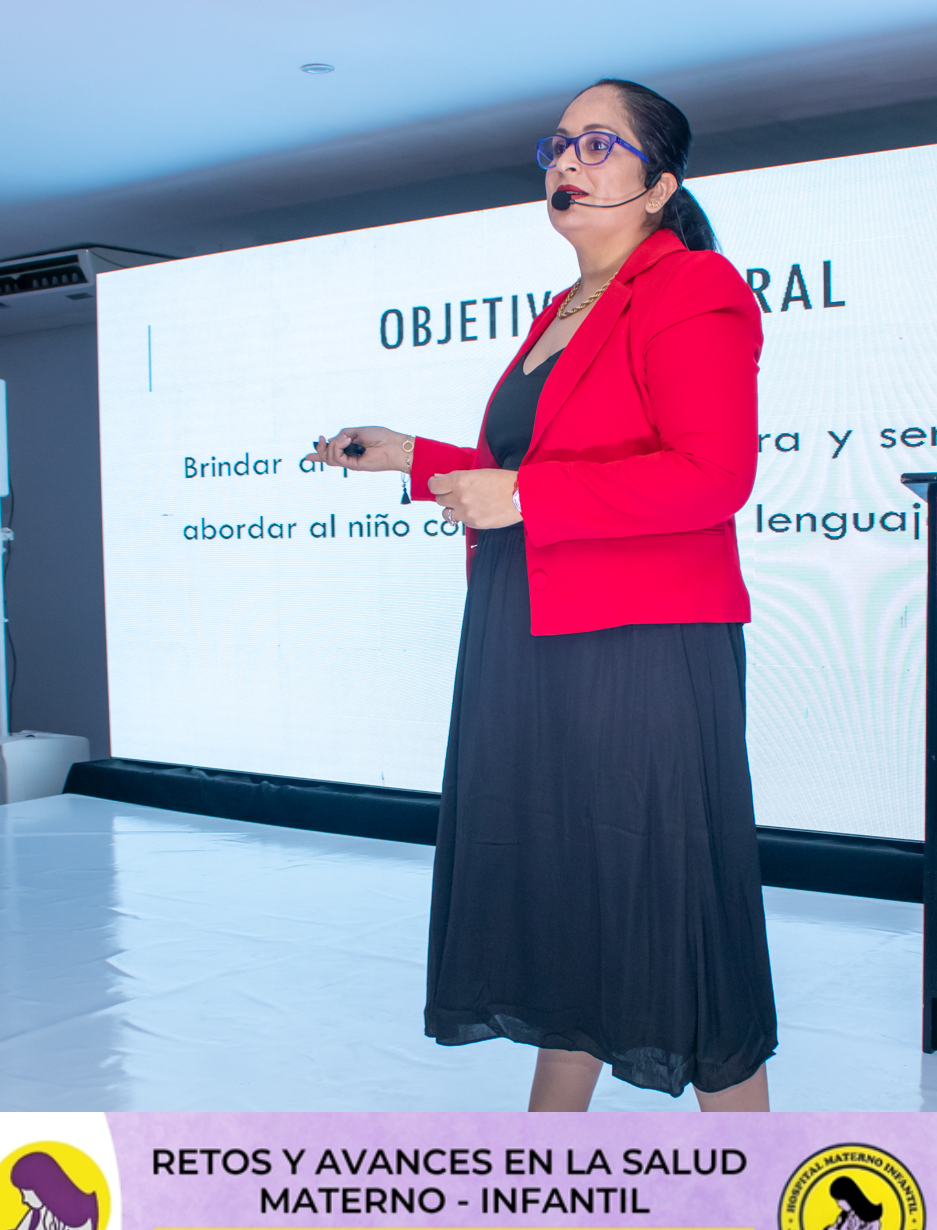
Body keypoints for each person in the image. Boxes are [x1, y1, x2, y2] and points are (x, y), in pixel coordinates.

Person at [306, 78, 775, 1112]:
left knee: (676, 916)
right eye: (558, 144)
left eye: (599, 144)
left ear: (659, 185)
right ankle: (543, 1172)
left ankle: (757, 1186)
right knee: (568, 901)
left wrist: (519, 495)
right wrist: (412, 454)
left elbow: (712, 476)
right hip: (531, 630)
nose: (567, 160)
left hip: (639, 647)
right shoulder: (561, 311)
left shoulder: (691, 286)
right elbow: (534, 465)